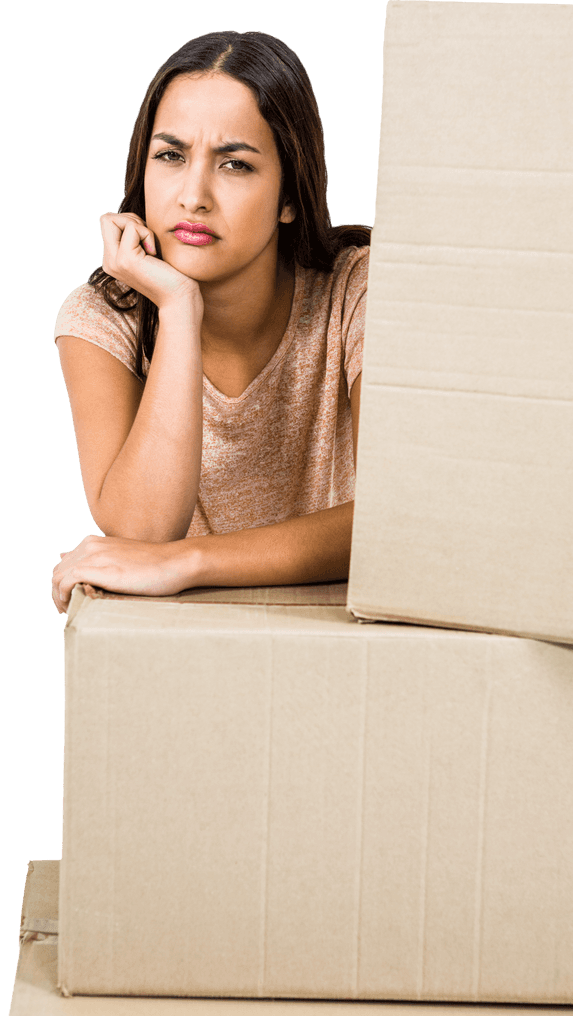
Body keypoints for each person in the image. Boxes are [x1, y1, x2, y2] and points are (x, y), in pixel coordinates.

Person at [51, 29, 370, 614]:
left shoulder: (358, 291)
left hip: (353, 637)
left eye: (235, 164)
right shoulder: (101, 319)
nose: (193, 196)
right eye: (170, 156)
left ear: (289, 197)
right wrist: (177, 307)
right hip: (193, 646)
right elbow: (144, 534)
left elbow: (403, 514)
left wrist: (191, 560)